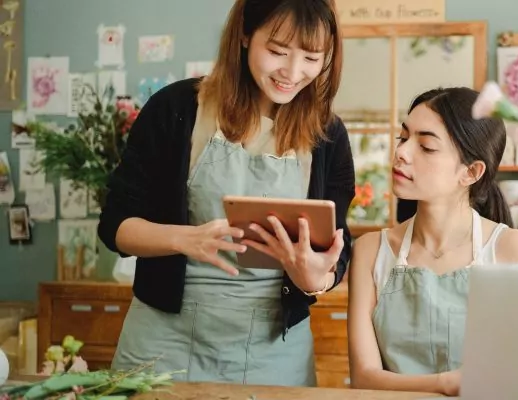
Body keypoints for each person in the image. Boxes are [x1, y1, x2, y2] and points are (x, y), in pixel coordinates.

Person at [97, 0, 354, 386]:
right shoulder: (175, 108)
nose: (293, 72)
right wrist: (186, 238)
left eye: (312, 57)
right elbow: (115, 224)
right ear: (246, 35)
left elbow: (337, 246)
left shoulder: (328, 135)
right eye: (277, 51)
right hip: (162, 339)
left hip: (276, 348)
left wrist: (316, 277)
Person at [347, 87, 518, 396]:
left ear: (471, 172)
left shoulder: (513, 250)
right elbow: (364, 377)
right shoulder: (371, 251)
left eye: (425, 146)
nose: (401, 152)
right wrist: (446, 383)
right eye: (403, 138)